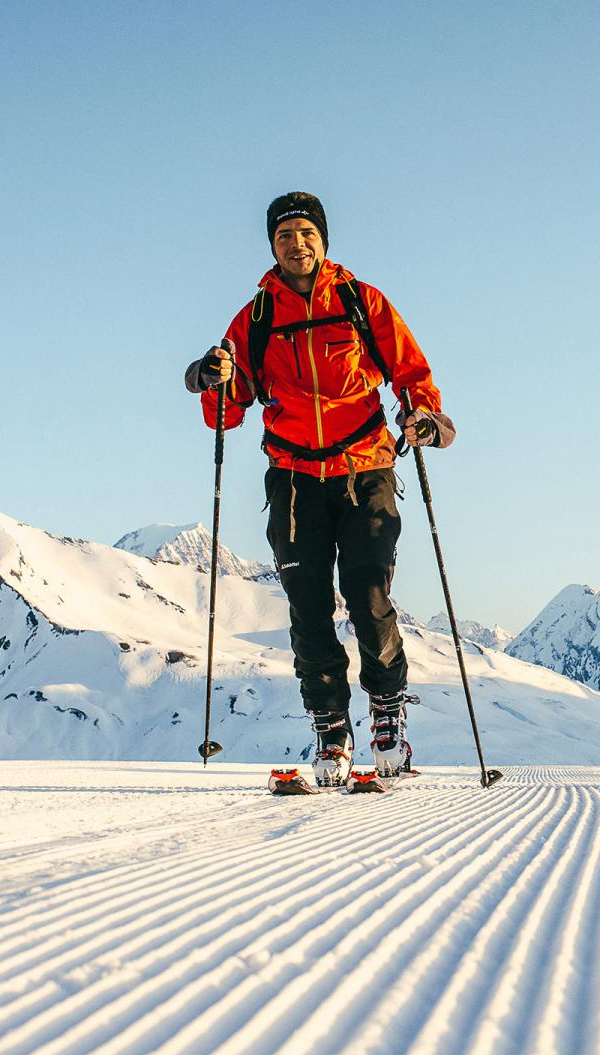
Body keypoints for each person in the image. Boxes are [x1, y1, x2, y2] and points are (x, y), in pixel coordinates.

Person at [184, 192, 455, 785]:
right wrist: (213, 378)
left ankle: (387, 719)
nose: (296, 244)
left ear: (323, 241)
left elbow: (413, 377)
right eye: (285, 236)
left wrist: (426, 419)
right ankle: (331, 731)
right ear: (272, 247)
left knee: (368, 597)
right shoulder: (256, 318)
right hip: (293, 479)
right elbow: (227, 410)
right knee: (308, 610)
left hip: (366, 472)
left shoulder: (362, 302)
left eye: (306, 233)